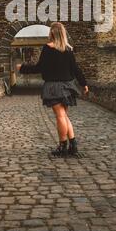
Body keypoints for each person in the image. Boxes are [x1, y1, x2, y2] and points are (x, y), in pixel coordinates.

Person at [16, 22, 89, 157]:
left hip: (54, 87)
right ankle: (73, 146)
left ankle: (62, 147)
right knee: (64, 115)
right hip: (68, 86)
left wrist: (23, 68)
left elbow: (39, 68)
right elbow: (76, 69)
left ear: (52, 34)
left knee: (60, 116)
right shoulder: (68, 50)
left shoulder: (48, 49)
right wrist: (84, 83)